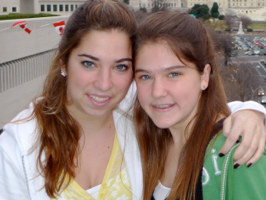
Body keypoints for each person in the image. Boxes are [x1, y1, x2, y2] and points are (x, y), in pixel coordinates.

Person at [0, 1, 265, 199]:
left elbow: (193, 110)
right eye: (89, 63)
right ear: (64, 62)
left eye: (121, 67)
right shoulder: (18, 147)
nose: (104, 84)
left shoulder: (133, 117)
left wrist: (250, 112)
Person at [133, 11, 266, 200]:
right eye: (145, 76)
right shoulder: (147, 145)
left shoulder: (240, 153)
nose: (157, 91)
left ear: (204, 76)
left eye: (173, 74)